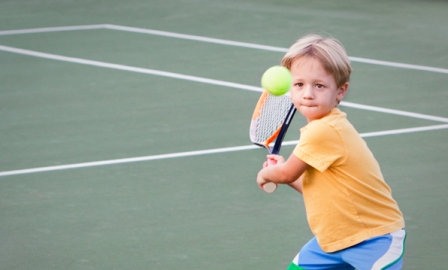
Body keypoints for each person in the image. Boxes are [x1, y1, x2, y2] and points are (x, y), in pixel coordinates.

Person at [256, 34, 406, 270]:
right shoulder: (319, 129)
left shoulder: (324, 130)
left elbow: (285, 175)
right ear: (290, 88)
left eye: (319, 85)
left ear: (340, 91)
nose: (307, 93)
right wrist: (283, 170)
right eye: (299, 84)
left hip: (373, 238)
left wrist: (267, 175)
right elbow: (313, 188)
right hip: (332, 241)